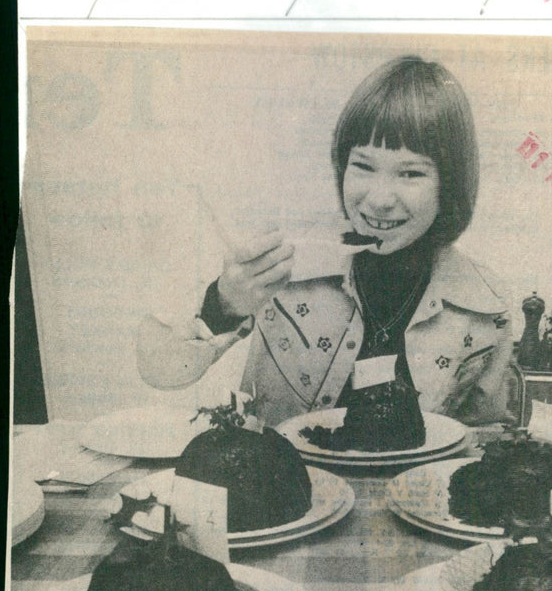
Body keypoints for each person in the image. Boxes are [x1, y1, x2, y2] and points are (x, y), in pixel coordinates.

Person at [137, 55, 513, 426]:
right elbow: (159, 371)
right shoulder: (285, 259)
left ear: (450, 183)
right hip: (280, 483)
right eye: (363, 166)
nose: (380, 199)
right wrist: (223, 305)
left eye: (411, 174)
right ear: (341, 167)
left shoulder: (483, 303)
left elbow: (481, 443)